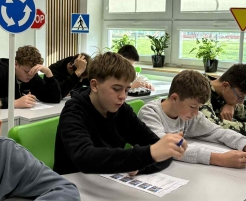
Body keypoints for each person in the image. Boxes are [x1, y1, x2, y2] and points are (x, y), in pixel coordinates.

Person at [53, 51, 186, 175]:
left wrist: (139, 166)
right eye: (116, 89)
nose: (123, 96)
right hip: (71, 184)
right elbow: (85, 158)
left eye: (127, 90)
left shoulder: (122, 110)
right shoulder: (74, 111)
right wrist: (147, 155)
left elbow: (159, 150)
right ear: (94, 85)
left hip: (106, 182)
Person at [139, 70, 246, 168]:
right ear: (174, 98)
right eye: (193, 106)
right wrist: (220, 159)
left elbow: (217, 131)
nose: (196, 113)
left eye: (199, 107)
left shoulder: (187, 114)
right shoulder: (150, 113)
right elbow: (166, 147)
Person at [199, 64, 246, 136]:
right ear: (225, 86)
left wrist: (234, 107)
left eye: (244, 98)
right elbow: (209, 125)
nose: (241, 102)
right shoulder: (201, 89)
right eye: (240, 97)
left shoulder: (229, 94)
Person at [0, 45, 61, 109]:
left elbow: (55, 99)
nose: (30, 75)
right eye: (26, 71)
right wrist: (15, 103)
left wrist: (48, 73)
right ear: (16, 64)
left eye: (33, 72)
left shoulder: (33, 76)